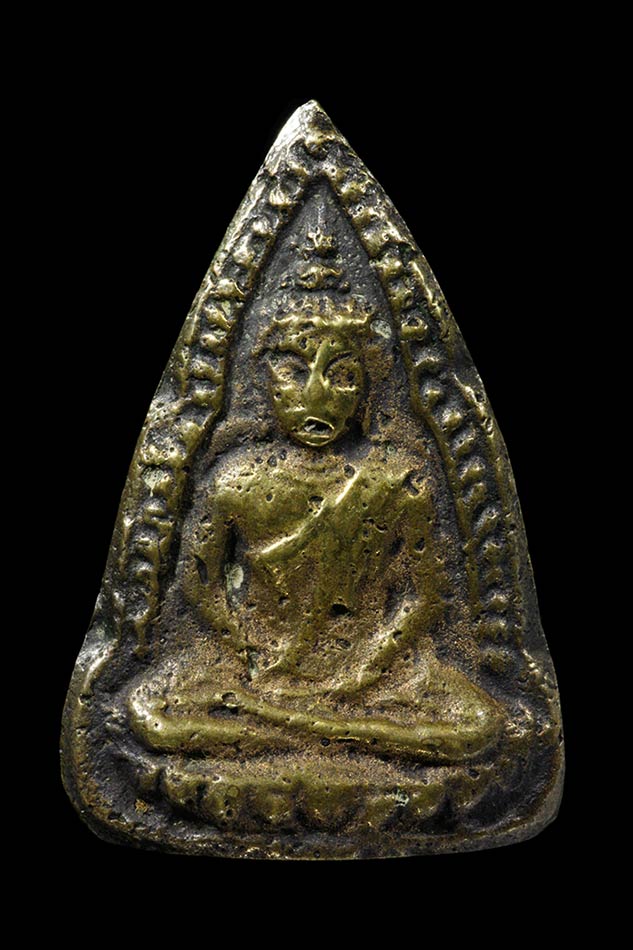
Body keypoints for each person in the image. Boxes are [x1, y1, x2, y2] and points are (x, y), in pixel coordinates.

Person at [128, 296, 504, 763]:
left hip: (371, 672)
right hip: (255, 669)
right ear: (263, 382)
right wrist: (246, 648)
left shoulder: (398, 481)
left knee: (480, 726)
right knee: (149, 714)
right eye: (293, 372)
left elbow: (424, 596)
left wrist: (367, 668)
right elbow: (199, 585)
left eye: (342, 376)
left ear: (368, 389)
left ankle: (282, 730)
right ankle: (341, 735)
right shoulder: (234, 481)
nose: (316, 396)